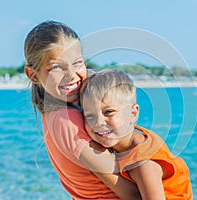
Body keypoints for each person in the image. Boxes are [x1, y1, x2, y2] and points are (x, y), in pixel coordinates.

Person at [24, 20, 141, 199]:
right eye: (56, 67)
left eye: (77, 63)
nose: (72, 75)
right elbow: (132, 193)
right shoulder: (67, 120)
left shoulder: (55, 113)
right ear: (33, 75)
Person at [80, 69, 193, 200]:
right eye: (90, 115)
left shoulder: (143, 165)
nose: (98, 122)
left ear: (133, 114)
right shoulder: (133, 135)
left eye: (109, 112)